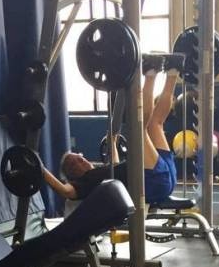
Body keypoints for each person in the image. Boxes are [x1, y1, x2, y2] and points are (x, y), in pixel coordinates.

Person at [42, 53, 183, 204]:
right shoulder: (85, 183)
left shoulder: (104, 174)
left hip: (161, 178)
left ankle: (173, 70)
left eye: (78, 157)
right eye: (73, 164)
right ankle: (151, 71)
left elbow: (115, 165)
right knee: (138, 130)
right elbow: (66, 191)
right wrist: (41, 170)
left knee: (156, 123)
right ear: (72, 176)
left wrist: (113, 142)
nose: (80, 160)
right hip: (151, 182)